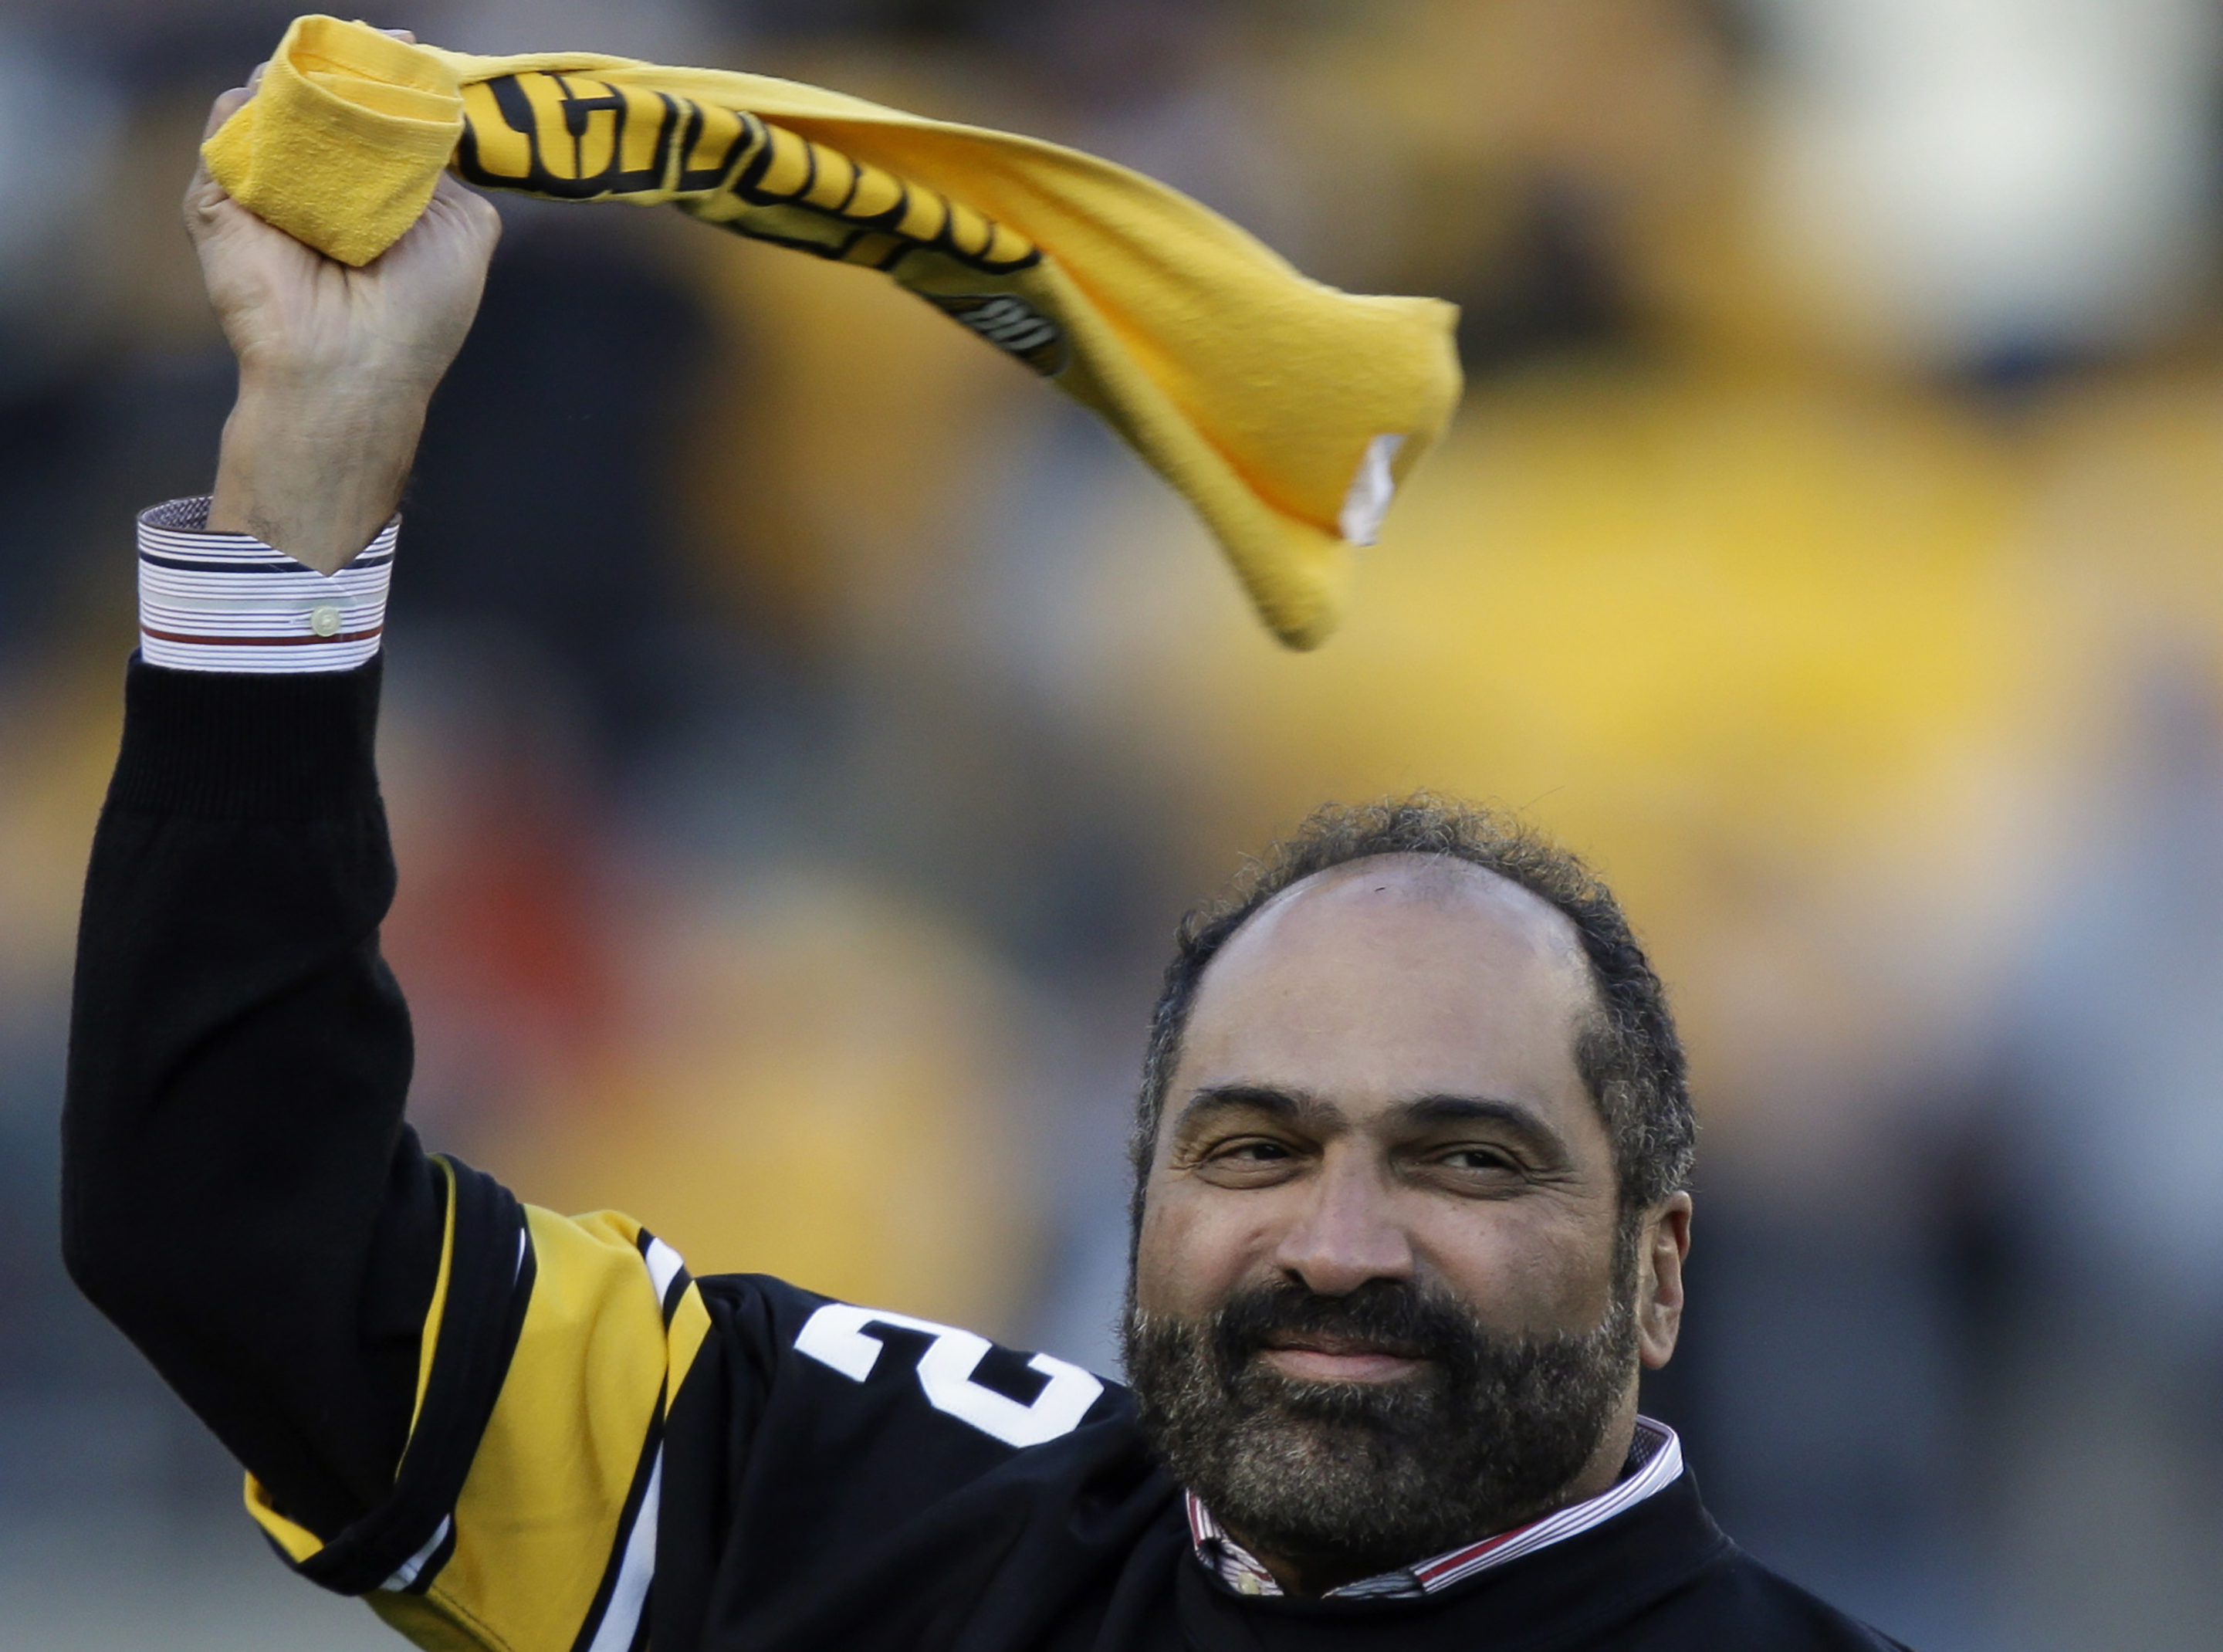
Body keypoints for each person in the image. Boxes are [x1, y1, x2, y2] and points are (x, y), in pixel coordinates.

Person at [61, 68, 1910, 1652]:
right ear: (1141, 1195)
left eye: (1464, 1156)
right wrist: (315, 438)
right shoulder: (882, 1516)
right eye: (1252, 1146)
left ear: (1659, 1267)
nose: (1335, 1244)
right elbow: (241, 1222)